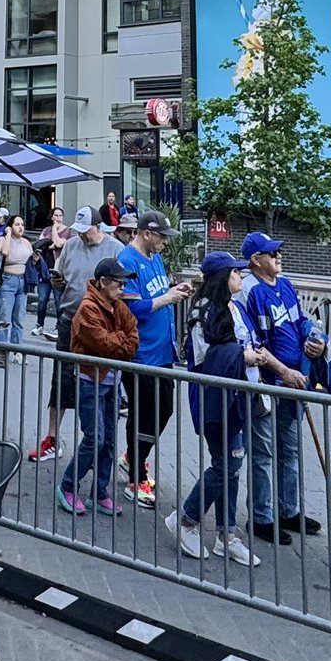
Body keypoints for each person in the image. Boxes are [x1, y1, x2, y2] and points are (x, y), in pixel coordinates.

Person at [171, 252, 262, 566]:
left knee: (232, 463)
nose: (241, 276)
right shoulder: (204, 311)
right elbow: (206, 357)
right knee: (226, 463)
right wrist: (244, 356)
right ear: (224, 277)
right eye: (236, 272)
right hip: (213, 395)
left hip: (236, 392)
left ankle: (227, 535)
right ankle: (186, 518)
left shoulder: (233, 308)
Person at [240, 230, 327, 543]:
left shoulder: (287, 284)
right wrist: (282, 370)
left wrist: (314, 338)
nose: (278, 257)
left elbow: (300, 320)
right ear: (256, 260)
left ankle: (289, 510)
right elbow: (253, 342)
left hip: (294, 380)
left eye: (277, 252)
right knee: (263, 452)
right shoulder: (250, 291)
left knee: (290, 450)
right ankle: (262, 516)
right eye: (271, 253)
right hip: (268, 383)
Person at [61, 225, 138, 512]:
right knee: (95, 438)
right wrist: (121, 341)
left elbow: (132, 336)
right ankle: (68, 484)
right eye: (119, 283)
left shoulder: (117, 305)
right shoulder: (87, 309)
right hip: (90, 380)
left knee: (108, 441)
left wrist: (119, 341)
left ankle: (100, 491)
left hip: (110, 381)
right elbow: (106, 344)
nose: (123, 288)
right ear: (104, 282)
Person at [118, 213, 190, 508]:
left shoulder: (154, 258)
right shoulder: (128, 260)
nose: (164, 242)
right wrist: (167, 299)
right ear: (147, 233)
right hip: (141, 352)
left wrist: (175, 291)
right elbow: (130, 306)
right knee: (143, 414)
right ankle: (136, 474)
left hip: (163, 352)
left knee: (165, 409)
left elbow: (160, 292)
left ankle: (134, 456)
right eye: (161, 236)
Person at [35, 208, 115, 463]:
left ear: (98, 227)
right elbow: (61, 274)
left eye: (86, 231)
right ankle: (52, 437)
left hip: (98, 324)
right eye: (78, 231)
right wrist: (57, 281)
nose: (81, 236)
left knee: (98, 385)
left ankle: (97, 441)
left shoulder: (115, 249)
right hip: (70, 320)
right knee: (62, 380)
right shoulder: (70, 245)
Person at [0, 214, 35, 347]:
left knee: (19, 318)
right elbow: (4, 251)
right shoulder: (3, 240)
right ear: (10, 226)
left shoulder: (26, 242)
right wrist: (8, 234)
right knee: (4, 317)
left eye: (22, 225)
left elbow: (31, 258)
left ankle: (16, 349)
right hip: (8, 281)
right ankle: (1, 348)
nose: (20, 227)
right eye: (17, 224)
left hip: (23, 281)